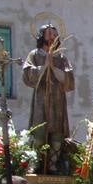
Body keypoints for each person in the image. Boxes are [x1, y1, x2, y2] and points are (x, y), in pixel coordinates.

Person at [22, 24, 74, 174]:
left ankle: (53, 164)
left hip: (58, 99)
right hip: (41, 98)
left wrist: (53, 67)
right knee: (39, 133)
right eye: (49, 34)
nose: (52, 37)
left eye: (54, 34)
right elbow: (28, 75)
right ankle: (35, 163)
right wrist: (44, 66)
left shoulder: (62, 57)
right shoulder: (34, 54)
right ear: (42, 36)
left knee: (57, 135)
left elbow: (68, 78)